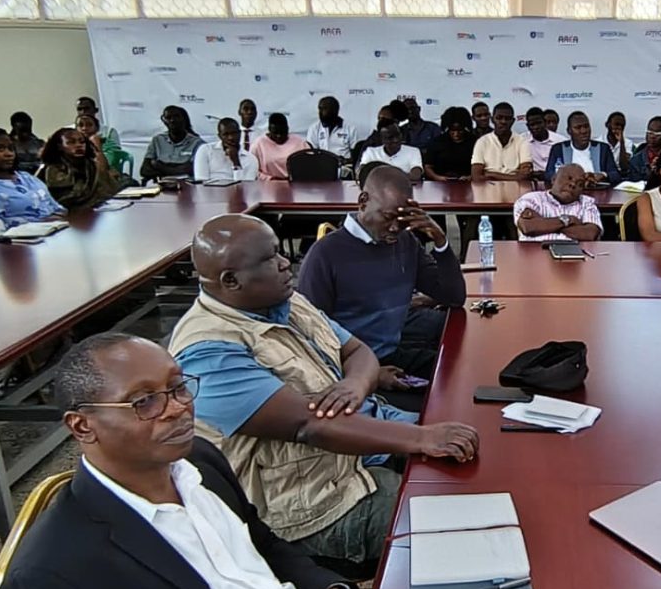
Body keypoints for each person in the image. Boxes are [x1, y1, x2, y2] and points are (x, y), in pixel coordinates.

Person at [169, 213, 479, 566]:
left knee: (479, 459)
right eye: (270, 258)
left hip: (357, 447)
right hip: (314, 502)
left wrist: (354, 385)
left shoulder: (284, 301)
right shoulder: (209, 352)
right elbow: (310, 426)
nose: (285, 263)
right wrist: (422, 437)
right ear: (231, 280)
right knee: (452, 524)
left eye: (279, 252)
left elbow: (359, 351)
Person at [0, 333, 357, 589]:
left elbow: (260, 542)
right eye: (143, 401)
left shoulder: (200, 459)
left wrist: (327, 587)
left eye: (178, 387)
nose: (177, 408)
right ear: (82, 426)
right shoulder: (51, 571)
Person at [298, 165, 466, 380]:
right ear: (363, 201)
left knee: (462, 368)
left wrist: (440, 241)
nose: (395, 227)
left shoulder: (405, 242)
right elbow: (310, 336)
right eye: (388, 217)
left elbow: (453, 297)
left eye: (403, 219)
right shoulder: (325, 254)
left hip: (392, 352)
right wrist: (371, 375)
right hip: (351, 369)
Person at [0, 128, 65, 233]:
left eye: (11, 148)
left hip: (56, 231)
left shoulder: (27, 177)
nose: (9, 154)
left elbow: (57, 209)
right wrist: (42, 222)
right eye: (0, 149)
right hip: (19, 240)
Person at [513, 164, 602, 242]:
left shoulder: (587, 203)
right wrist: (568, 220)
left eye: (580, 184)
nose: (573, 184)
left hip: (575, 254)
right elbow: (528, 227)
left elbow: (590, 234)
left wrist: (544, 225)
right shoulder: (531, 199)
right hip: (535, 253)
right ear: (553, 179)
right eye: (569, 178)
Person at [37, 127, 118, 209]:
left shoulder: (92, 166)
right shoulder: (52, 169)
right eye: (71, 142)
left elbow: (108, 191)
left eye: (82, 142)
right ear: (60, 146)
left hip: (94, 211)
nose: (78, 145)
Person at [545, 112, 622, 186]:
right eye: (578, 128)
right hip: (569, 191)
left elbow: (616, 175)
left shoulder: (603, 148)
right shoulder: (558, 149)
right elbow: (548, 174)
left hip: (597, 191)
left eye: (586, 126)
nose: (584, 131)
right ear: (569, 131)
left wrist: (603, 175)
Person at [470, 102, 531, 181]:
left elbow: (525, 176)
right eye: (499, 118)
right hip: (488, 186)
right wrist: (514, 177)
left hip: (515, 186)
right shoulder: (482, 142)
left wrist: (492, 174)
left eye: (507, 118)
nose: (503, 122)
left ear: (513, 121)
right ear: (492, 119)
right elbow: (476, 177)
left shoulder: (522, 141)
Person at [140, 106, 204, 181]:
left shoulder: (197, 143)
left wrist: (160, 166)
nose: (172, 120)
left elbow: (193, 169)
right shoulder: (157, 140)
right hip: (160, 183)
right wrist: (178, 169)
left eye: (176, 116)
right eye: (168, 118)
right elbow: (145, 170)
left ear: (184, 119)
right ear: (164, 122)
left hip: (186, 184)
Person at [193, 117, 259, 182]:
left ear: (240, 133)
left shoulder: (251, 159)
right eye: (226, 134)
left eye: (234, 133)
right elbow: (200, 182)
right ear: (220, 136)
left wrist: (236, 162)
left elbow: (245, 186)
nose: (230, 138)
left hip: (237, 189)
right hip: (210, 188)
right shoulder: (205, 150)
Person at [251, 113, 310, 181]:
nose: (279, 136)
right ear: (269, 129)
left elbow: (309, 165)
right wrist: (270, 179)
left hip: (296, 183)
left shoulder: (300, 142)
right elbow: (252, 171)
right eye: (275, 133)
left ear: (287, 129)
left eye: (282, 132)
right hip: (268, 184)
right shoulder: (258, 144)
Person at [424, 106, 475, 181]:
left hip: (468, 182)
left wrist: (470, 177)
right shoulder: (437, 142)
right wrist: (437, 177)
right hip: (441, 183)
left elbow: (482, 167)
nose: (456, 134)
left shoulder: (475, 142)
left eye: (460, 130)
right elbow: (428, 167)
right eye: (452, 130)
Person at [306, 96, 358, 165]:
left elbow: (356, 156)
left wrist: (345, 161)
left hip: (343, 166)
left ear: (335, 111)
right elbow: (311, 153)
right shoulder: (314, 128)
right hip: (321, 166)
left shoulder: (350, 128)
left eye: (324, 109)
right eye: (320, 109)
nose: (320, 112)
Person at [523, 106, 567, 176]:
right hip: (533, 178)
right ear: (527, 126)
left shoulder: (561, 141)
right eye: (532, 125)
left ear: (544, 122)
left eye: (539, 123)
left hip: (556, 178)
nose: (536, 127)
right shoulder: (523, 140)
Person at [627, 116, 661, 182]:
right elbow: (634, 184)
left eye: (657, 134)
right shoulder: (636, 160)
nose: (652, 136)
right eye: (650, 132)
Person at [598, 112, 635, 176]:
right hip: (603, 174)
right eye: (616, 124)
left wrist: (622, 143)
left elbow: (624, 167)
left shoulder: (628, 143)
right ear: (607, 125)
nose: (619, 127)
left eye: (622, 126)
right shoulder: (599, 142)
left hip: (621, 175)